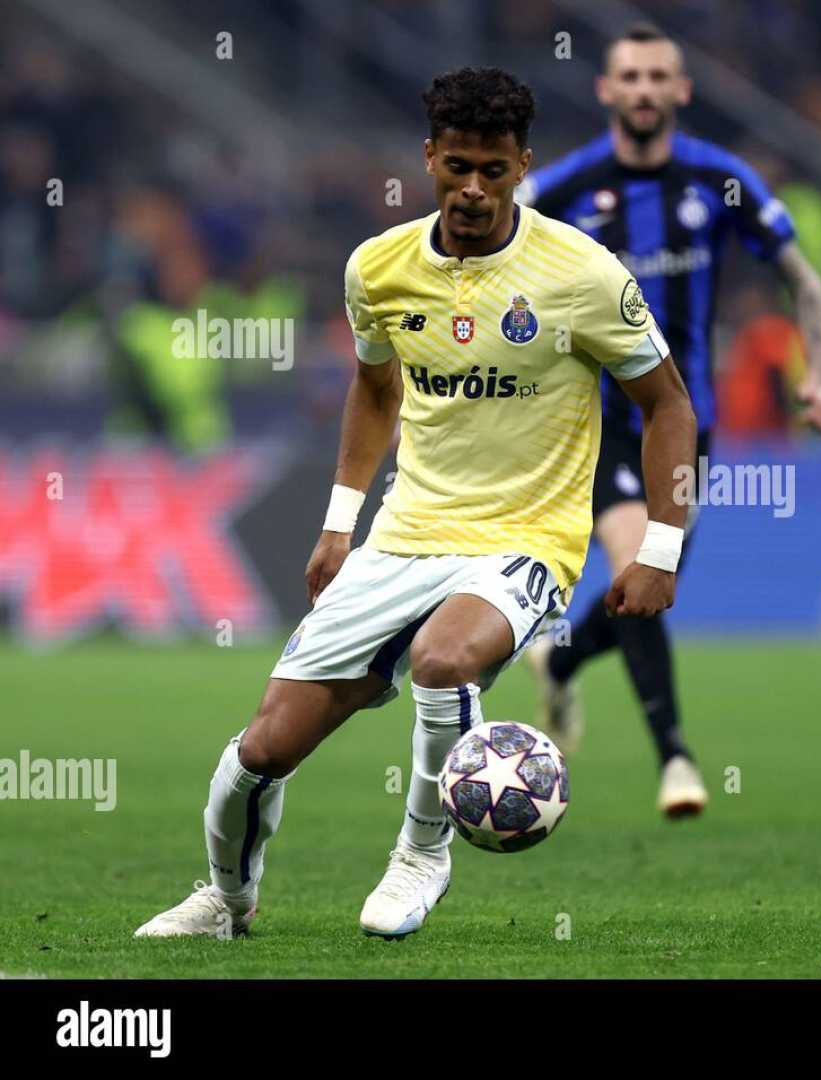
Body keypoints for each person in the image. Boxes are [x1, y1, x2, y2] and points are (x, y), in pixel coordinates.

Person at [134, 66, 696, 939]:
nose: (473, 189)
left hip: (526, 539)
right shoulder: (378, 267)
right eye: (457, 166)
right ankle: (225, 902)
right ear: (430, 157)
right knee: (261, 751)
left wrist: (658, 548)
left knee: (443, 662)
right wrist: (338, 525)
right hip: (403, 534)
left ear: (523, 167)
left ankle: (422, 850)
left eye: (495, 171)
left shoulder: (582, 274)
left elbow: (668, 404)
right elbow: (373, 390)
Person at [517, 24, 821, 818]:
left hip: (686, 421)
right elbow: (484, 265)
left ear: (681, 91)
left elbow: (805, 282)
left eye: (658, 76)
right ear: (606, 90)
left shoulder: (719, 180)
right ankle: (676, 759)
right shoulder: (561, 190)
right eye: (628, 76)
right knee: (636, 558)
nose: (643, 89)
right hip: (593, 422)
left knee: (653, 583)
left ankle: (560, 664)